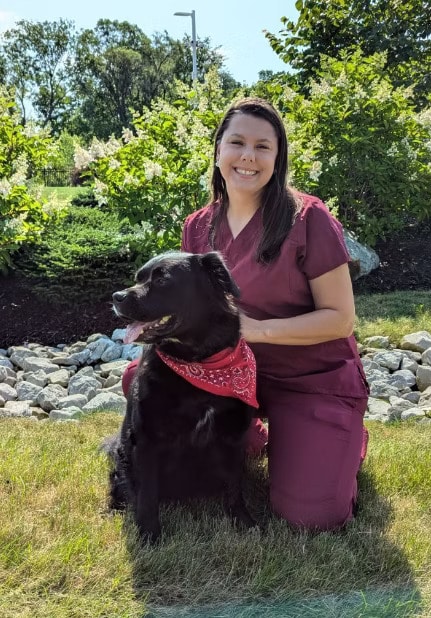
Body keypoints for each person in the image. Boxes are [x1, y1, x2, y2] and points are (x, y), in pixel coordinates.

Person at [122, 97, 369, 531]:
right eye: (236, 142)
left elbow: (340, 319)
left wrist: (256, 330)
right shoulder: (198, 226)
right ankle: (258, 436)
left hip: (305, 378)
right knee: (138, 381)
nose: (248, 157)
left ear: (278, 157)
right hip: (227, 378)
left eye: (263, 146)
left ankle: (343, 440)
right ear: (218, 151)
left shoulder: (309, 218)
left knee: (313, 514)